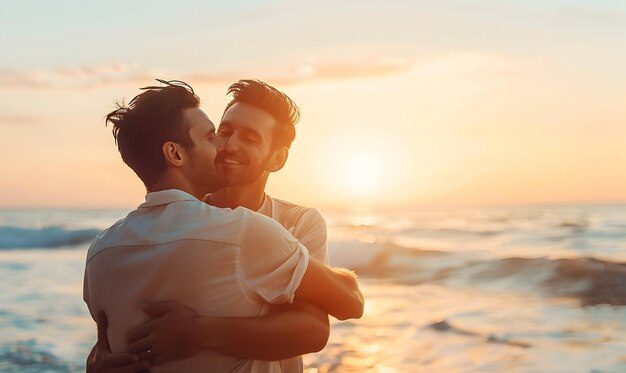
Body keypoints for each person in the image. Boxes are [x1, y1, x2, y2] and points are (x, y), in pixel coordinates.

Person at [83, 80, 363, 373]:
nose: (229, 145)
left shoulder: (297, 222)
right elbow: (120, 326)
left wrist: (201, 333)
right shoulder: (185, 225)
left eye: (251, 138)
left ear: (277, 158)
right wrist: (97, 361)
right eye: (222, 132)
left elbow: (315, 328)